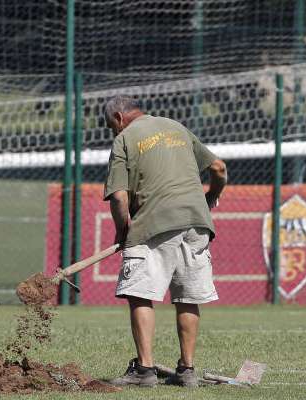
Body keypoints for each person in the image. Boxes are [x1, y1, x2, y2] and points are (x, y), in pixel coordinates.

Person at [103, 96, 227, 388]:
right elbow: (219, 168)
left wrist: (123, 231)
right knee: (187, 296)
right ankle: (187, 371)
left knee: (140, 294)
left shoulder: (124, 139)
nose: (113, 132)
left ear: (119, 118)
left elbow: (119, 196)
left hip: (154, 222)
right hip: (197, 223)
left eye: (111, 126)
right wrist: (210, 197)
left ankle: (144, 371)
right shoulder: (175, 127)